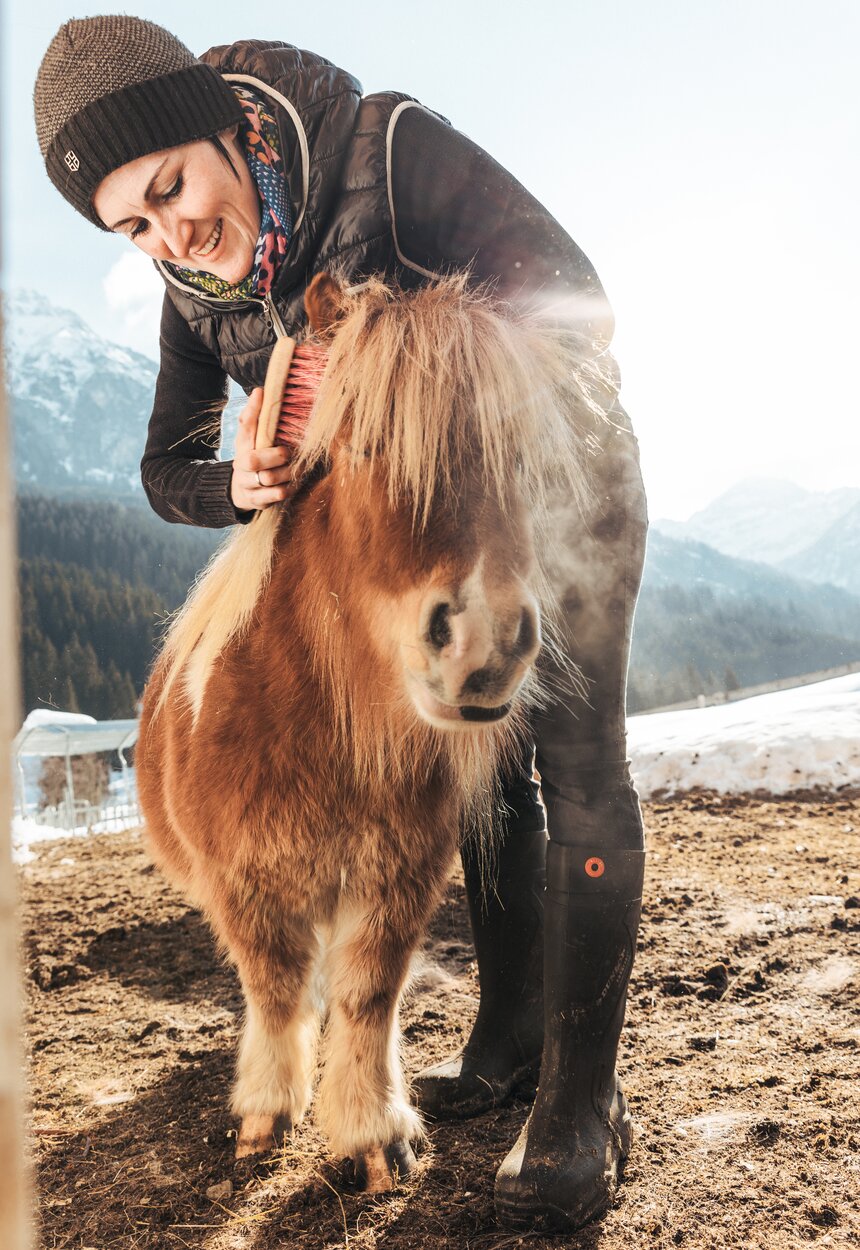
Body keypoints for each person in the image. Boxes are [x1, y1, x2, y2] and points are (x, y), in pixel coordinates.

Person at [34, 16, 648, 1233]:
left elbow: (578, 305)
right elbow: (166, 464)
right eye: (132, 228)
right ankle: (513, 1030)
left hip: (549, 483)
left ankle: (582, 1099)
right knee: (472, 772)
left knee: (569, 764)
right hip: (404, 527)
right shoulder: (194, 279)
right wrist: (244, 483)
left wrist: (384, 349)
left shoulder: (390, 146)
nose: (171, 237)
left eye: (171, 189)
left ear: (221, 124)